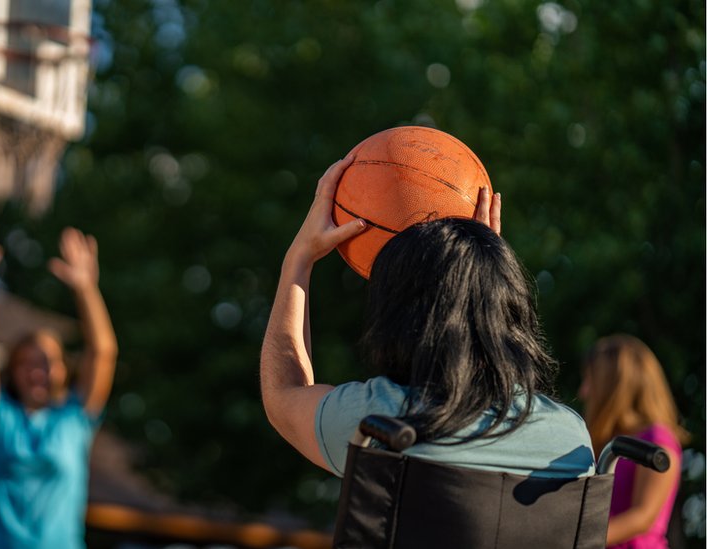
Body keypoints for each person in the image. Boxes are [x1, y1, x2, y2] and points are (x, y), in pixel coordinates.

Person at [260, 154, 595, 479]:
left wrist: (298, 260)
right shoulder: (570, 439)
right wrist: (478, 261)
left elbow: (283, 393)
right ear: (511, 309)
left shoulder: (379, 423)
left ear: (402, 318)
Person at [0, 222, 118, 549]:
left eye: (46, 362)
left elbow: (103, 352)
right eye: (27, 364)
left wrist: (85, 287)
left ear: (62, 370)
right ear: (13, 372)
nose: (37, 372)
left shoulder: (75, 419)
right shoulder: (0, 418)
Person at [579, 334, 688, 548]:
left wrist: (573, 541)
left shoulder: (657, 440)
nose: (583, 392)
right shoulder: (603, 443)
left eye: (590, 382)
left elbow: (643, 517)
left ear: (614, 390)